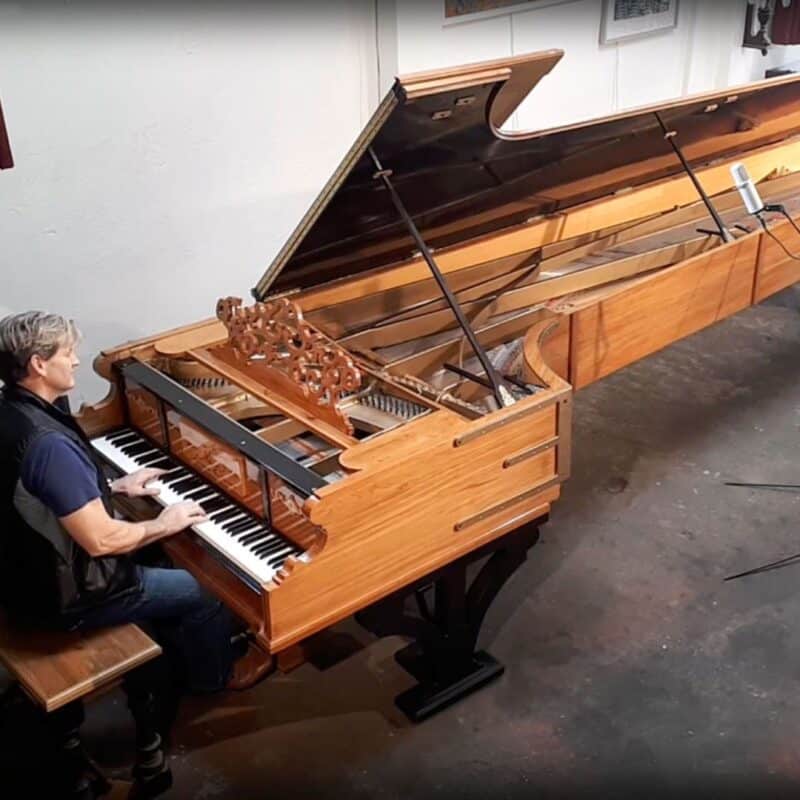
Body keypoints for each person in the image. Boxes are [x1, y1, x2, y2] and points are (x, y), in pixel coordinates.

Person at [0, 310, 272, 695]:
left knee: (166, 558)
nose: (76, 359)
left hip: (24, 572)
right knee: (209, 592)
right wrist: (166, 521)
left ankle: (177, 644)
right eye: (67, 352)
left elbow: (40, 496)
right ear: (38, 364)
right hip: (65, 596)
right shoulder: (49, 446)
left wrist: (113, 487)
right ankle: (215, 677)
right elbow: (102, 541)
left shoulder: (13, 410)